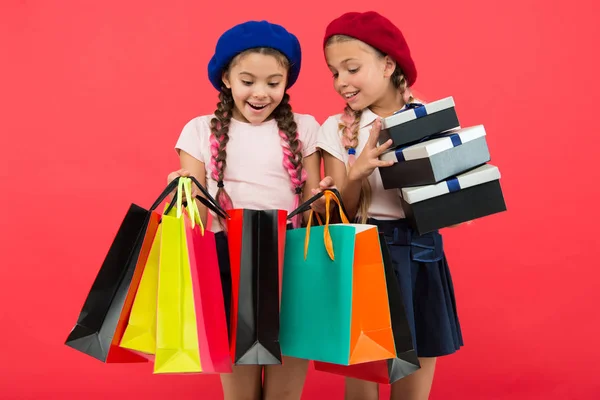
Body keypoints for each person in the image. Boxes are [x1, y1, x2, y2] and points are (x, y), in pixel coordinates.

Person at [167, 20, 321, 400]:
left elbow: (314, 204)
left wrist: (326, 190)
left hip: (293, 265)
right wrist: (180, 192)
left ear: (286, 83)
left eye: (273, 82)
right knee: (239, 392)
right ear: (226, 80)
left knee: (286, 390)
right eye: (247, 80)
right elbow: (198, 220)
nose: (260, 92)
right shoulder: (200, 130)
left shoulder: (306, 127)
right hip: (230, 264)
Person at [316, 11, 463, 400]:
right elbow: (339, 212)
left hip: (421, 254)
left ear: (387, 64)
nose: (341, 82)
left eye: (351, 68)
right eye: (334, 72)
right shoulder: (335, 128)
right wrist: (358, 171)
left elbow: (452, 193)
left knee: (413, 389)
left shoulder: (432, 118)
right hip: (363, 255)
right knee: (362, 390)